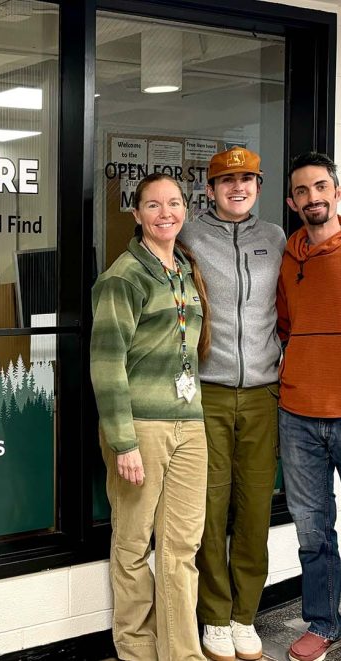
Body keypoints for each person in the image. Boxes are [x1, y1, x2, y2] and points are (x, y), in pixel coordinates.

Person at [92, 172, 211, 660]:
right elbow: (106, 364)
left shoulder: (183, 268)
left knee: (182, 550)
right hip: (142, 427)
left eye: (175, 203)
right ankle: (137, 650)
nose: (167, 213)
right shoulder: (124, 276)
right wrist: (124, 442)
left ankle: (182, 654)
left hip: (190, 423)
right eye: (155, 205)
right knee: (134, 546)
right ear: (137, 214)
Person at [178, 147, 285, 661]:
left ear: (258, 186)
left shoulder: (276, 238)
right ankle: (215, 617)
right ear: (211, 189)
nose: (237, 188)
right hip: (210, 391)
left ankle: (246, 613)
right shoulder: (190, 236)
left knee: (254, 508)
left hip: (264, 393)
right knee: (209, 506)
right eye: (227, 181)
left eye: (247, 179)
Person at [276, 151, 341, 661]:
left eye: (320, 187)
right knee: (312, 529)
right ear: (293, 201)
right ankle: (322, 622)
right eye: (302, 191)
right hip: (298, 415)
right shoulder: (289, 256)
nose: (312, 198)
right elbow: (283, 327)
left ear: (336, 191)